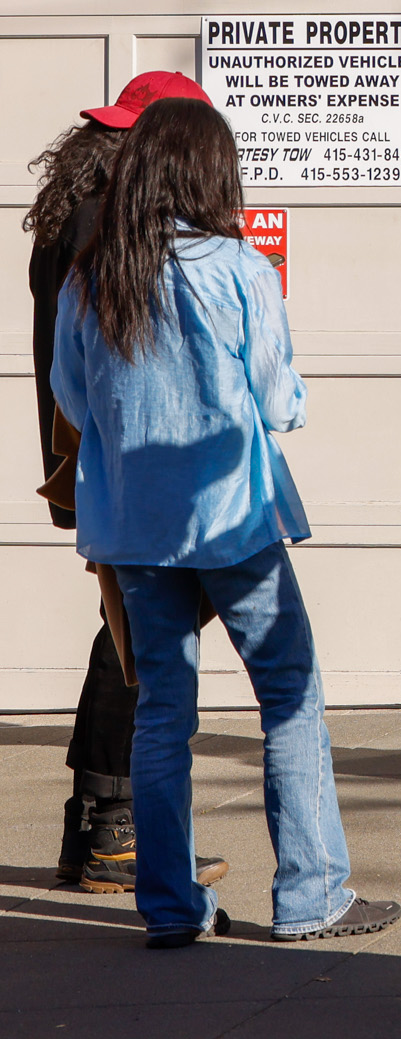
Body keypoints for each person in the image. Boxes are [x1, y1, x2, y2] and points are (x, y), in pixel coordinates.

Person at [55, 97, 398, 948]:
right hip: (232, 521)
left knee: (164, 711)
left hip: (135, 526)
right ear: (211, 174)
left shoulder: (92, 275)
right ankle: (311, 895)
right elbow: (280, 403)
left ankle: (170, 907)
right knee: (288, 693)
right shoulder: (237, 266)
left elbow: (72, 399)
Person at [30, 73, 228, 899]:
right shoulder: (108, 221)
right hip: (117, 454)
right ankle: (113, 828)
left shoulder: (77, 210)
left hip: (85, 453)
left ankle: (95, 825)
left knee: (130, 625)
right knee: (138, 631)